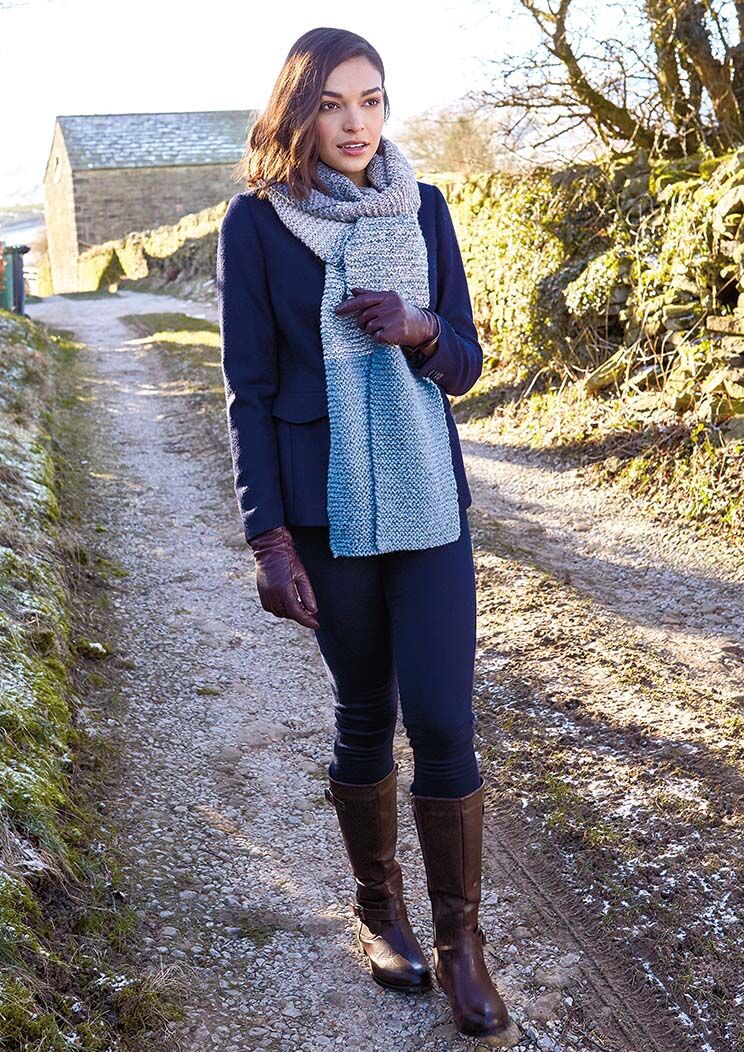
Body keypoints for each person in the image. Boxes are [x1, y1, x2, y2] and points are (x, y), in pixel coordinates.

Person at [216, 26, 510, 1039]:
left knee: (444, 719)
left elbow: (467, 360)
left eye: (372, 100)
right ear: (298, 111)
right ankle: (380, 911)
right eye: (334, 102)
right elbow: (249, 391)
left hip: (427, 499)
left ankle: (462, 943)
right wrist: (268, 540)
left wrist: (422, 329)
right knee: (364, 710)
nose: (356, 122)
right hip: (323, 509)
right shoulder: (256, 222)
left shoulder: (424, 207)